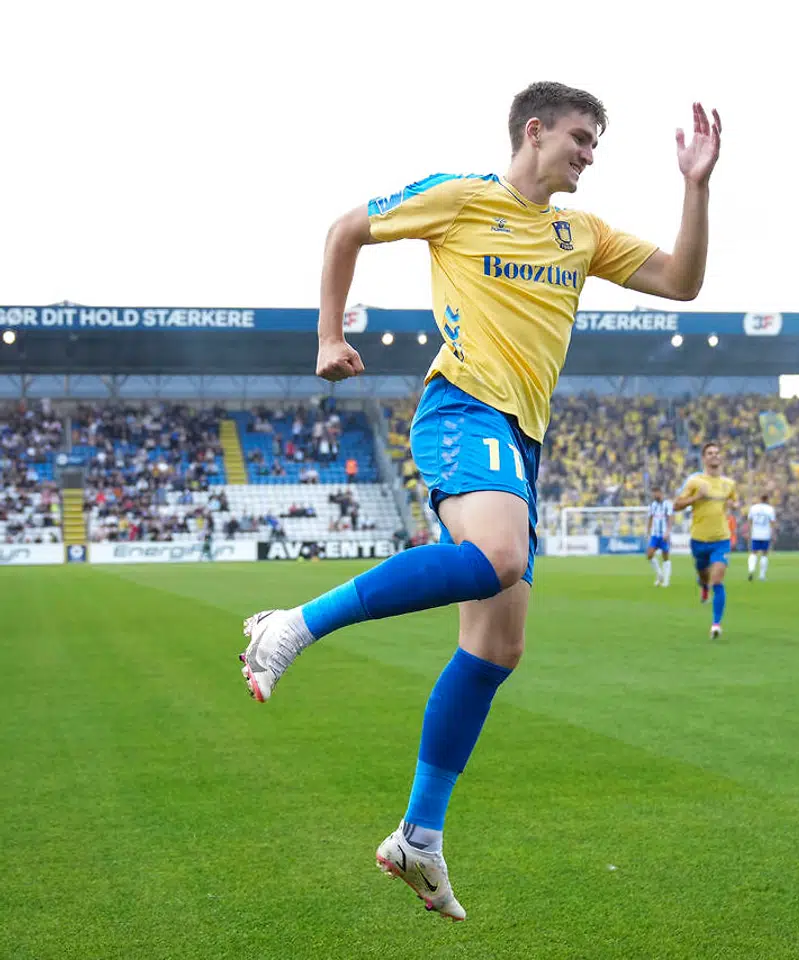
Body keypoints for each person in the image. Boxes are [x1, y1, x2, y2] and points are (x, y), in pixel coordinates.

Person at [235, 81, 722, 921]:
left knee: (498, 649)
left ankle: (419, 839)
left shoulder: (584, 234)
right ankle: (293, 625)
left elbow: (682, 281)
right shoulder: (464, 201)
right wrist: (327, 334)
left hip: (521, 443)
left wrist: (696, 188)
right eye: (580, 136)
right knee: (497, 558)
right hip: (463, 407)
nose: (590, 153)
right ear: (534, 131)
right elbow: (345, 228)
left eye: (598, 142)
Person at [672, 442, 738, 638]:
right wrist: (696, 498)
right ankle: (703, 586)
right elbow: (676, 505)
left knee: (717, 579)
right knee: (703, 576)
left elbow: (734, 500)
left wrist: (735, 504)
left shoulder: (729, 484)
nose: (714, 456)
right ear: (704, 458)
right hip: (699, 539)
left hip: (721, 539)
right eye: (710, 453)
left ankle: (716, 624)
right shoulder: (695, 481)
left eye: (717, 453)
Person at [645, 485, 673, 587]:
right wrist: (647, 532)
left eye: (656, 492)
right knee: (649, 554)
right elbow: (650, 519)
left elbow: (670, 519)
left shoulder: (667, 504)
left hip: (664, 535)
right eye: (653, 492)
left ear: (661, 493)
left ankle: (666, 580)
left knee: (665, 556)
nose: (654, 494)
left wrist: (668, 532)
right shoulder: (653, 505)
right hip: (655, 535)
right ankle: (660, 574)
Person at [746, 492, 776, 581]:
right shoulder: (770, 509)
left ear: (760, 499)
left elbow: (750, 520)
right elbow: (772, 522)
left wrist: (751, 530)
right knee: (764, 554)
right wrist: (772, 533)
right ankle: (762, 575)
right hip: (766, 534)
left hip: (755, 533)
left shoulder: (753, 508)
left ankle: (751, 570)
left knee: (753, 552)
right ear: (767, 500)